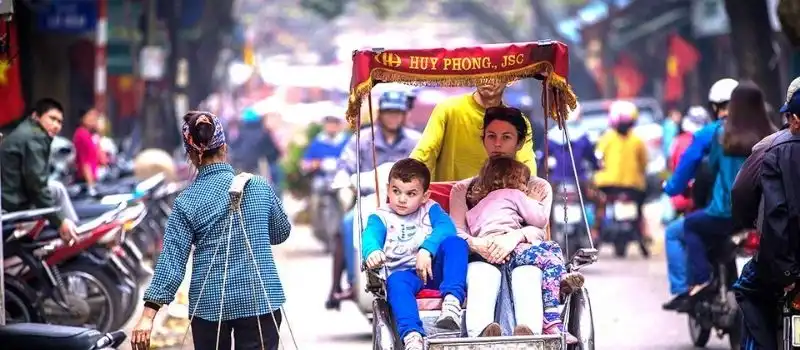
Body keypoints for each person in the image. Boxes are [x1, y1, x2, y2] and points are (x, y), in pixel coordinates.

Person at [131, 111, 291, 350]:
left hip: (210, 307)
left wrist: (147, 316)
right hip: (260, 299)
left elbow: (171, 263)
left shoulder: (187, 201)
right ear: (224, 148)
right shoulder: (258, 186)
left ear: (191, 156)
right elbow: (281, 233)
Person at [447, 108, 569, 337]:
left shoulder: (538, 187)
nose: (497, 144)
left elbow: (540, 229)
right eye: (491, 136)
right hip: (478, 255)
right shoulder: (463, 190)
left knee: (528, 274)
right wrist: (481, 245)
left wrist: (514, 237)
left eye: (506, 137)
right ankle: (481, 334)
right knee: (482, 274)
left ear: (520, 142)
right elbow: (458, 232)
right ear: (483, 140)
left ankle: (530, 334)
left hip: (523, 255)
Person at [663, 80, 775, 308]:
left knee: (688, 226)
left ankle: (701, 279)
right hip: (766, 216)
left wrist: (674, 189)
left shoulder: (718, 135)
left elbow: (705, 170)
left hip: (725, 214)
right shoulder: (774, 135)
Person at [462, 156, 582, 342]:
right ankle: (551, 314)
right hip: (513, 249)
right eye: (524, 182)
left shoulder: (475, 207)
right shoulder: (513, 194)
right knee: (551, 250)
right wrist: (531, 200)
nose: (526, 187)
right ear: (512, 181)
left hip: (486, 252)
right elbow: (541, 220)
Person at [328, 90, 421, 309]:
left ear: (404, 114)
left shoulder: (415, 141)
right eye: (388, 112)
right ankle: (349, 282)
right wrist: (343, 181)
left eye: (397, 112)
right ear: (380, 113)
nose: (393, 117)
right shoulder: (361, 139)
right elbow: (345, 165)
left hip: (407, 203)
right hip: (369, 201)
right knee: (349, 222)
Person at [361, 158, 468, 350]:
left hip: (435, 270)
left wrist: (427, 249)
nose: (402, 199)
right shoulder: (381, 216)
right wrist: (373, 251)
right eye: (396, 191)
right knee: (396, 283)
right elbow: (370, 236)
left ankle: (452, 301)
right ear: (388, 189)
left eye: (411, 194)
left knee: (456, 243)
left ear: (425, 196)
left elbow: (447, 228)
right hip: (405, 275)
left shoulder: (430, 209)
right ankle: (412, 335)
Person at [733, 77, 800, 349]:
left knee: (748, 291)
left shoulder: (772, 148)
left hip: (782, 263)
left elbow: (775, 214)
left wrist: (787, 271)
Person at [410, 81, 536, 181]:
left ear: (510, 78)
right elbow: (425, 153)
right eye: (483, 72)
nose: (488, 79)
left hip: (498, 205)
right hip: (448, 204)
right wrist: (406, 180)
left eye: (496, 74)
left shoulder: (517, 121)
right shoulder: (449, 109)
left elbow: (527, 166)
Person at [0, 98, 78, 244]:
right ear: (36, 116)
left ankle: (73, 229)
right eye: (52, 119)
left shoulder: (29, 131)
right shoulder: (35, 137)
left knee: (56, 188)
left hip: (14, 195)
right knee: (56, 190)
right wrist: (61, 221)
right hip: (15, 202)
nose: (56, 125)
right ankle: (74, 234)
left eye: (59, 122)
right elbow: (37, 186)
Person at [661, 106, 710, 310]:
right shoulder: (761, 134)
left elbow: (678, 176)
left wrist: (672, 189)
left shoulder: (695, 140)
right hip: (748, 213)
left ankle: (685, 288)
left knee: (676, 232)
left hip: (710, 209)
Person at [594, 100, 650, 250]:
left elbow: (598, 158)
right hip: (633, 186)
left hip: (608, 185)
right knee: (639, 211)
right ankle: (643, 237)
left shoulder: (607, 138)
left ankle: (596, 232)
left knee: (600, 206)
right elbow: (644, 163)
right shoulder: (637, 140)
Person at [73, 108, 102, 195]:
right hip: (85, 180)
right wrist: (91, 185)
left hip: (93, 178)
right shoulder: (81, 135)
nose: (93, 118)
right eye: (90, 115)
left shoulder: (90, 135)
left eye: (95, 116)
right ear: (83, 118)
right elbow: (85, 162)